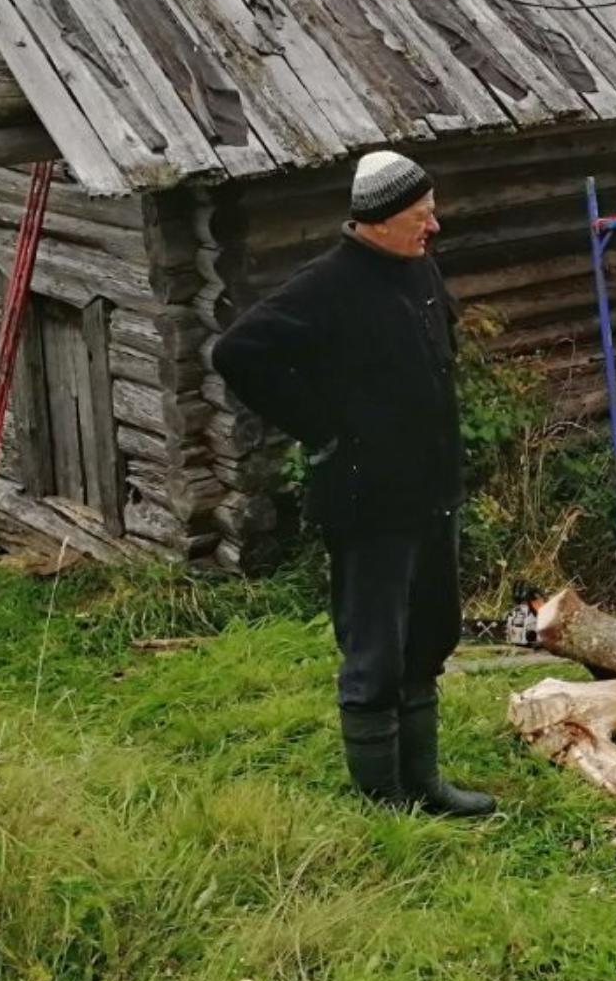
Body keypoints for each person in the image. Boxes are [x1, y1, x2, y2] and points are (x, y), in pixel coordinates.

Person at [207, 151, 495, 816]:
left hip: (431, 493)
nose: (435, 226)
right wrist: (321, 427)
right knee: (375, 649)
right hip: (367, 500)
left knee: (430, 634)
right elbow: (237, 352)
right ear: (380, 220)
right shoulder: (327, 285)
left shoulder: (418, 267)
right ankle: (382, 802)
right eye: (422, 216)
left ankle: (422, 783)